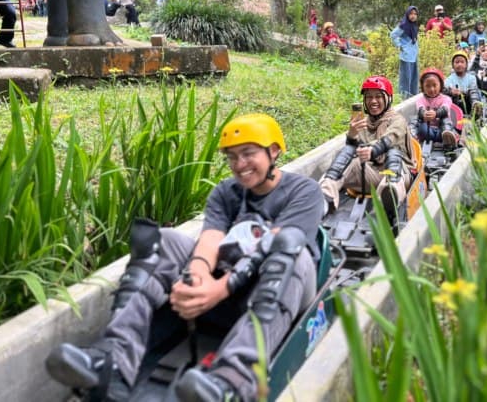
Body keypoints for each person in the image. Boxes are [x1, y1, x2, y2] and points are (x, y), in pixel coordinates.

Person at [45, 113, 324, 402]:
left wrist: (217, 290)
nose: (239, 165)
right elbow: (211, 239)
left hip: (283, 286)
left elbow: (272, 245)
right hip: (227, 283)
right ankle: (113, 360)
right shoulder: (226, 192)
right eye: (232, 157)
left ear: (274, 151)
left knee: (289, 249)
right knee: (164, 240)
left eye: (248, 154)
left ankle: (232, 381)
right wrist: (196, 277)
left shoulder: (304, 192)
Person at [320, 75, 415, 228]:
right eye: (369, 97)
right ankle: (325, 197)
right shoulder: (363, 123)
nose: (373, 101)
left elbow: (391, 138)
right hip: (372, 172)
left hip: (397, 172)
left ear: (388, 99)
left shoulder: (398, 120)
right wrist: (352, 135)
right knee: (346, 154)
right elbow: (353, 149)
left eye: (378, 96)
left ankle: (389, 195)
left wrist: (373, 149)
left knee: (393, 154)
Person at [412, 68, 459, 150]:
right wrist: (424, 114)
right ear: (422, 87)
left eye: (434, 85)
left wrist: (436, 114)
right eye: (428, 86)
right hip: (426, 131)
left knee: (445, 119)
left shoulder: (446, 98)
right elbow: (420, 109)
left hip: (442, 131)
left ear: (440, 85)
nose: (432, 89)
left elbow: (445, 109)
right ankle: (411, 136)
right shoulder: (420, 100)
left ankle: (448, 139)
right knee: (415, 119)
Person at [389, 6, 419, 99]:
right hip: (406, 56)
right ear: (407, 14)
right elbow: (393, 35)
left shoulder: (414, 26)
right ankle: (403, 98)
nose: (413, 16)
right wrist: (400, 46)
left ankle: (412, 97)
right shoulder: (403, 26)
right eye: (411, 13)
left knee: (413, 77)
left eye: (415, 14)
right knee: (406, 78)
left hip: (413, 55)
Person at [445, 50, 482, 117]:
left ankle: (476, 108)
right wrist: (452, 91)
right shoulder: (449, 79)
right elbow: (446, 90)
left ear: (466, 65)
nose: (459, 64)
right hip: (455, 103)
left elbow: (473, 89)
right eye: (457, 62)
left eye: (462, 62)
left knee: (473, 92)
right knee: (448, 93)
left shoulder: (471, 77)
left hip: (467, 101)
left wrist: (463, 92)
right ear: (453, 65)